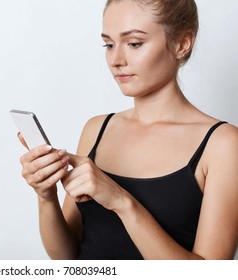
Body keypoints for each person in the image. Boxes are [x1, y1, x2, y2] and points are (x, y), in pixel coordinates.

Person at [17, 0, 238, 260]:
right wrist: (46, 196)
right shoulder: (97, 129)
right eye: (109, 44)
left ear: (181, 43)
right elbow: (66, 257)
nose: (116, 60)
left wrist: (122, 202)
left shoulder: (223, 145)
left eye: (134, 44)